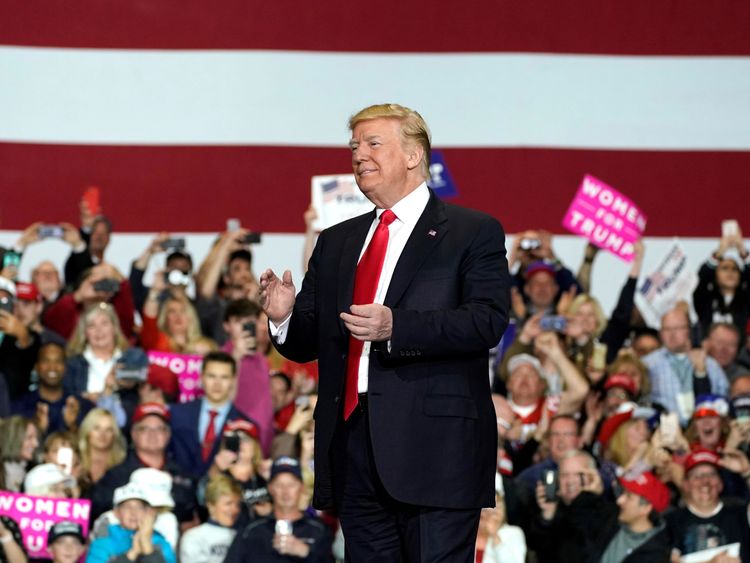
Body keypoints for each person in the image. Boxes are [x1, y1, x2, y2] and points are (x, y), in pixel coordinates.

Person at [259, 103, 510, 560]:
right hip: (354, 447)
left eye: (374, 143)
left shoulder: (472, 232)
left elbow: (487, 320)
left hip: (437, 451)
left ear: (414, 155)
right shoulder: (335, 242)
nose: (359, 155)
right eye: (354, 145)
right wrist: (283, 317)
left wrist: (397, 327)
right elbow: (307, 342)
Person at [90, 403, 197, 525]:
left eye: (159, 429)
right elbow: (98, 514)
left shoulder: (183, 475)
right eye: (144, 428)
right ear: (134, 434)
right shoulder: (114, 477)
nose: (152, 434)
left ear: (168, 434)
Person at [224, 457, 332, 563]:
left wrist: (306, 552)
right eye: (279, 485)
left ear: (301, 487)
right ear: (270, 488)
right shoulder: (251, 530)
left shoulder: (319, 530)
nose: (285, 492)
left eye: (291, 485)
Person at [168, 351, 251, 477]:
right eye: (212, 376)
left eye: (224, 377)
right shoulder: (177, 413)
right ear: (202, 377)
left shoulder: (245, 425)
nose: (217, 383)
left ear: (233, 381)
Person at [643, 306, 728, 424]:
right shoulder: (647, 364)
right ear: (660, 333)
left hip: (703, 430)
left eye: (678, 328)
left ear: (689, 330)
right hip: (664, 430)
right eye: (666, 329)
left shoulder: (710, 364)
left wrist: (701, 371)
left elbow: (724, 400)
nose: (672, 334)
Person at [666, 449, 750, 561]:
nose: (705, 481)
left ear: (720, 484)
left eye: (711, 474)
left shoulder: (741, 514)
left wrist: (747, 472)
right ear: (686, 485)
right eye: (697, 476)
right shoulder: (670, 522)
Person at [221, 299, 274, 453]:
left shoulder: (263, 360)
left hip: (263, 443)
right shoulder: (220, 358)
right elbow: (221, 399)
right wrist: (236, 357)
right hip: (236, 440)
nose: (245, 326)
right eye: (238, 321)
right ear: (226, 326)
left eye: (250, 321)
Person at [12, 342, 93, 436]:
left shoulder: (82, 406)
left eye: (58, 361)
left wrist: (73, 427)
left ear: (65, 367)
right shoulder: (20, 407)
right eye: (46, 361)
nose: (52, 367)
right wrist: (38, 430)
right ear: (37, 367)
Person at [87, 483, 176, 563]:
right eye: (127, 507)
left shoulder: (161, 543)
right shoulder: (102, 542)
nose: (133, 512)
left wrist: (147, 545)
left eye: (139, 507)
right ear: (116, 512)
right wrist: (133, 553)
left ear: (146, 512)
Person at [180, 475, 242, 563]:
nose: (235, 510)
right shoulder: (194, 537)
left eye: (237, 505)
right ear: (211, 505)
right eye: (228, 503)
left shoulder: (241, 536)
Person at [77, 408, 127, 496]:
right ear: (87, 431)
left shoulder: (123, 464)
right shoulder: (75, 462)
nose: (102, 434)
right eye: (97, 428)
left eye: (108, 429)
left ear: (114, 434)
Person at [0, 415, 39, 491]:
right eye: (29, 437)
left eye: (35, 438)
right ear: (12, 438)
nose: (36, 444)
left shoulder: (35, 470)